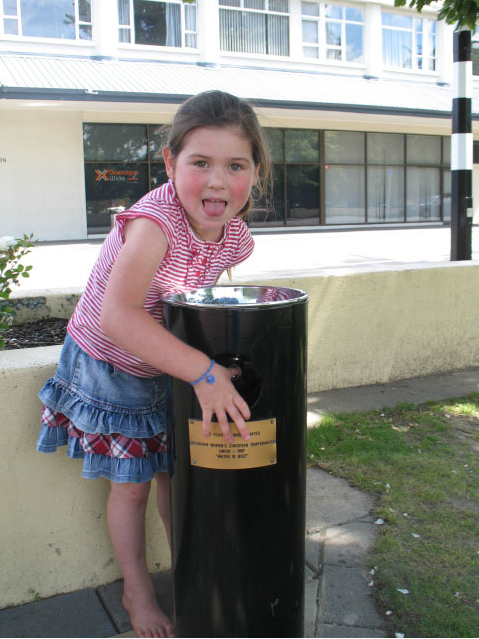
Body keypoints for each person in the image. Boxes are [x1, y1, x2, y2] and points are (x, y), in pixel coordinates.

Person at [36, 90, 273, 639]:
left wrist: (208, 361)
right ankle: (137, 590)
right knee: (134, 484)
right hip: (110, 364)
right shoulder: (154, 223)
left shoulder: (235, 238)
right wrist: (204, 373)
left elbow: (190, 299)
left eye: (236, 166)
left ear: (255, 171)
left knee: (178, 478)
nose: (218, 182)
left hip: (165, 362)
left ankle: (194, 571)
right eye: (201, 163)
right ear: (170, 163)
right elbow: (119, 317)